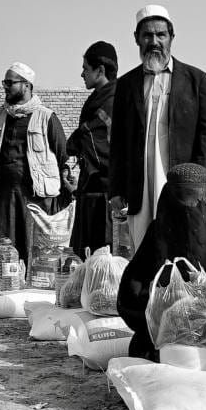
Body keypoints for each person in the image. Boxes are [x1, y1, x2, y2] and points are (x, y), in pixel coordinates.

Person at [109, 5, 206, 253]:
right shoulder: (126, 85)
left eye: (161, 35)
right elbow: (118, 142)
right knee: (143, 251)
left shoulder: (196, 80)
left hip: (181, 184)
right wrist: (115, 190)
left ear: (171, 37)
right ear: (136, 38)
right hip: (139, 187)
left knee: (182, 250)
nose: (154, 41)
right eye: (147, 35)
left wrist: (198, 183)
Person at [116, 163, 206, 361]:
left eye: (197, 201)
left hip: (204, 343)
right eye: (183, 200)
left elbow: (129, 299)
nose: (191, 209)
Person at [0, 62, 67, 274]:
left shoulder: (46, 117)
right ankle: (5, 288)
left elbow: (62, 156)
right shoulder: (0, 115)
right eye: (4, 82)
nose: (5, 86)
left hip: (35, 197)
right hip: (4, 194)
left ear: (27, 85)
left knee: (35, 250)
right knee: (2, 247)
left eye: (10, 82)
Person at [67, 41, 118, 258]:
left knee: (104, 259)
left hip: (107, 195)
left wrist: (76, 142)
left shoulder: (114, 100)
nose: (82, 74)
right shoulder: (96, 101)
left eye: (86, 69)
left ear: (100, 70)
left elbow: (92, 139)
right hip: (90, 191)